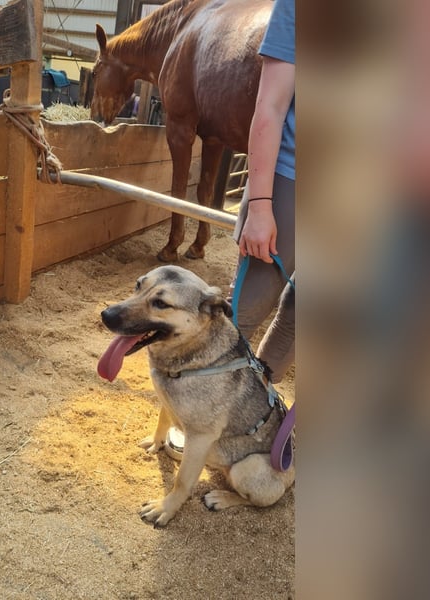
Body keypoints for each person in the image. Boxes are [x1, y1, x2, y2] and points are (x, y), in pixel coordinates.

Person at [165, 0, 296, 459]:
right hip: (293, 180)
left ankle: (246, 419)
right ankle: (194, 418)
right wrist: (259, 204)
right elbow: (271, 104)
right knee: (241, 316)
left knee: (301, 317)